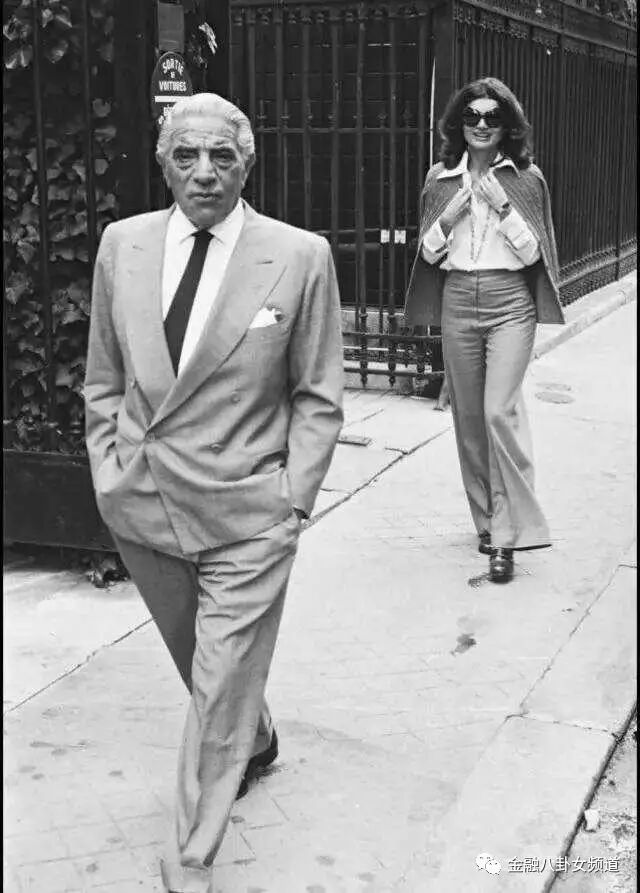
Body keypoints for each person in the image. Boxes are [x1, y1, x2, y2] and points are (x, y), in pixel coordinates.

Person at [83, 92, 344, 892]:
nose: (204, 172)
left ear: (246, 165)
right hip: (142, 501)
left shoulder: (299, 255)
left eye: (222, 156)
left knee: (220, 674)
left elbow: (318, 394)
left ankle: (193, 854)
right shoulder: (123, 244)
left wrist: (292, 499)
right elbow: (103, 376)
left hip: (248, 512)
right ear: (163, 163)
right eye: (187, 155)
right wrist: (107, 471)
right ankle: (253, 736)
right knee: (202, 663)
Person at [404, 77, 564, 584]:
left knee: (498, 411)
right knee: (470, 420)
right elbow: (428, 254)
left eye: (492, 117)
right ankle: (488, 523)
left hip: (509, 301)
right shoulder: (440, 179)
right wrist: (447, 219)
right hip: (458, 301)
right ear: (459, 124)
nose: (480, 124)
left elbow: (535, 254)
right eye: (471, 116)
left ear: (507, 126)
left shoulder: (525, 178)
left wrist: (503, 207)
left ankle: (509, 534)